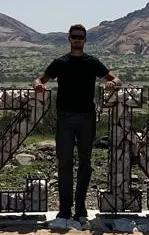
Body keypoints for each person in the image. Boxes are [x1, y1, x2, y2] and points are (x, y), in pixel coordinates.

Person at [33, 24, 121, 223]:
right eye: (74, 36)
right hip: (65, 117)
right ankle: (65, 209)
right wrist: (38, 85)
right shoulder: (60, 62)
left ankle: (80, 207)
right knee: (64, 162)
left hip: (86, 118)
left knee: (85, 163)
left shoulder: (92, 62)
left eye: (81, 37)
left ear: (85, 39)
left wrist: (112, 83)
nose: (77, 39)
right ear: (69, 38)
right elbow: (40, 79)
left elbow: (117, 79)